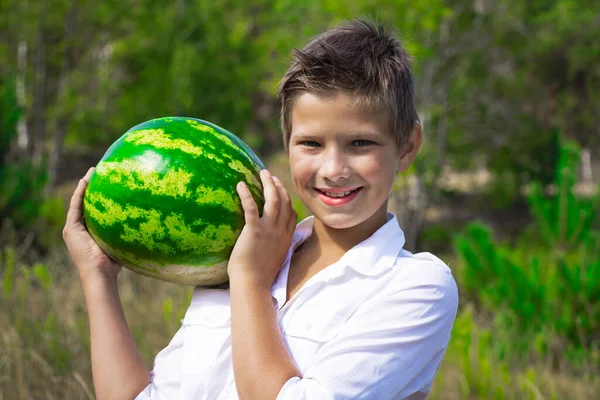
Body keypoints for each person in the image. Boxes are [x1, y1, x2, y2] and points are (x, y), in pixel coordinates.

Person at [63, 18, 458, 400]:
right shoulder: (236, 248)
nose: (333, 169)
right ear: (286, 142)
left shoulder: (417, 285)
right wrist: (98, 275)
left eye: (360, 144)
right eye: (311, 144)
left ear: (407, 146)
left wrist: (250, 280)